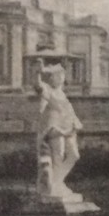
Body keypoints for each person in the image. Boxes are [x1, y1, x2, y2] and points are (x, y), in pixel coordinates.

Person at [35, 62, 83, 199]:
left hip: (67, 127)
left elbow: (68, 111)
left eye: (61, 75)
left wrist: (75, 123)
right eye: (56, 75)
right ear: (51, 78)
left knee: (74, 155)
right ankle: (55, 186)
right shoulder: (48, 90)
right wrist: (38, 72)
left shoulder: (62, 93)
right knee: (58, 155)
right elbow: (38, 86)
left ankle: (57, 182)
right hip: (54, 127)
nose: (60, 77)